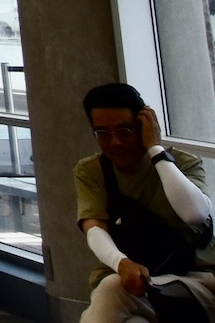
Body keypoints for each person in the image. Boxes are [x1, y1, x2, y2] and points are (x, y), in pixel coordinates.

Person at [75, 82, 215, 323]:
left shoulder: (183, 164)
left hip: (195, 281)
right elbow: (95, 228)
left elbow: (195, 215)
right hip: (135, 286)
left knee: (111, 288)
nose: (115, 142)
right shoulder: (91, 170)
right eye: (103, 133)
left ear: (143, 124)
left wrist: (156, 151)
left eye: (124, 130)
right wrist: (122, 264)